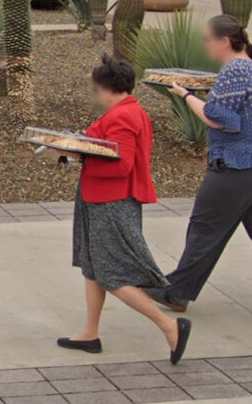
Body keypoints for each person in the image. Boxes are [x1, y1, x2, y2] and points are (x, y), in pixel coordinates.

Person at [150, 15, 252, 322]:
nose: (205, 44)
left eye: (208, 39)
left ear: (224, 41)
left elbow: (220, 119)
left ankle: (177, 293)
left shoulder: (235, 69)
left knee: (205, 228)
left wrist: (185, 94)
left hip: (240, 166)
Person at [60, 54, 193, 364]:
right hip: (100, 200)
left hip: (111, 202)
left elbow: (121, 165)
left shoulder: (123, 117)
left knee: (112, 275)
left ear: (107, 88)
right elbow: (101, 150)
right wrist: (71, 152)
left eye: (97, 89)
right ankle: (90, 334)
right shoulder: (127, 111)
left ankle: (170, 326)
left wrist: (80, 155)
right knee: (93, 268)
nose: (96, 95)